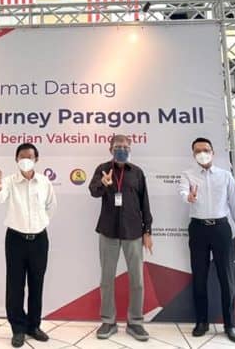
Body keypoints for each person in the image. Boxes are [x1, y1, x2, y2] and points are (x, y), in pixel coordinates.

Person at [0, 143, 57, 347]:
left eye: (30, 157)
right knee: (15, 286)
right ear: (16, 159)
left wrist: (40, 224)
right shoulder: (9, 181)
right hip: (15, 240)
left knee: (37, 284)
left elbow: (51, 206)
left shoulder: (44, 182)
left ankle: (33, 326)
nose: (26, 160)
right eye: (22, 157)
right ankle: (18, 328)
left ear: (37, 159)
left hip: (39, 240)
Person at [179, 138, 235, 342]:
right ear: (193, 154)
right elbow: (183, 192)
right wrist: (188, 197)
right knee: (199, 277)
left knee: (227, 278)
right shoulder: (187, 174)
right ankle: (202, 322)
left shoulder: (225, 176)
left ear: (213, 152)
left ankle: (230, 324)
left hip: (221, 229)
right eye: (198, 151)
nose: (202, 153)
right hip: (198, 229)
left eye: (206, 150)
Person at [88, 134, 152, 342]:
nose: (121, 150)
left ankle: (135, 322)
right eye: (118, 146)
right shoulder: (102, 169)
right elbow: (93, 192)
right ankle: (108, 321)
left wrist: (147, 231)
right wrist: (104, 184)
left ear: (130, 149)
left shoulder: (137, 172)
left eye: (125, 147)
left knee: (137, 280)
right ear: (110, 149)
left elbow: (145, 203)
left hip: (133, 232)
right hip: (108, 231)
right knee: (107, 279)